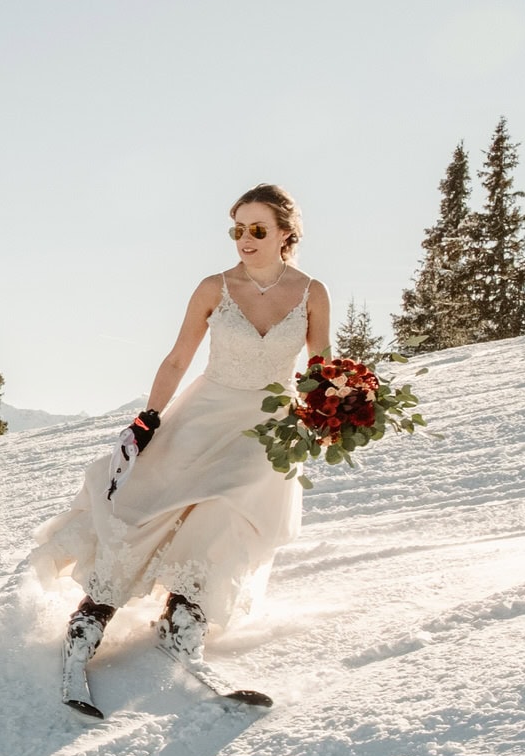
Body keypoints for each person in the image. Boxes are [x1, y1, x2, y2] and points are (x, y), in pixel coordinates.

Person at [30, 184, 329, 717]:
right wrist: (149, 417)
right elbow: (177, 359)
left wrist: (331, 409)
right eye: (237, 229)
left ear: (287, 233)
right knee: (146, 509)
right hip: (206, 411)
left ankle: (183, 621)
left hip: (266, 429)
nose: (244, 239)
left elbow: (321, 368)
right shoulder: (215, 287)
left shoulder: (312, 293)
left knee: (225, 517)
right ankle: (88, 625)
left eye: (257, 229)